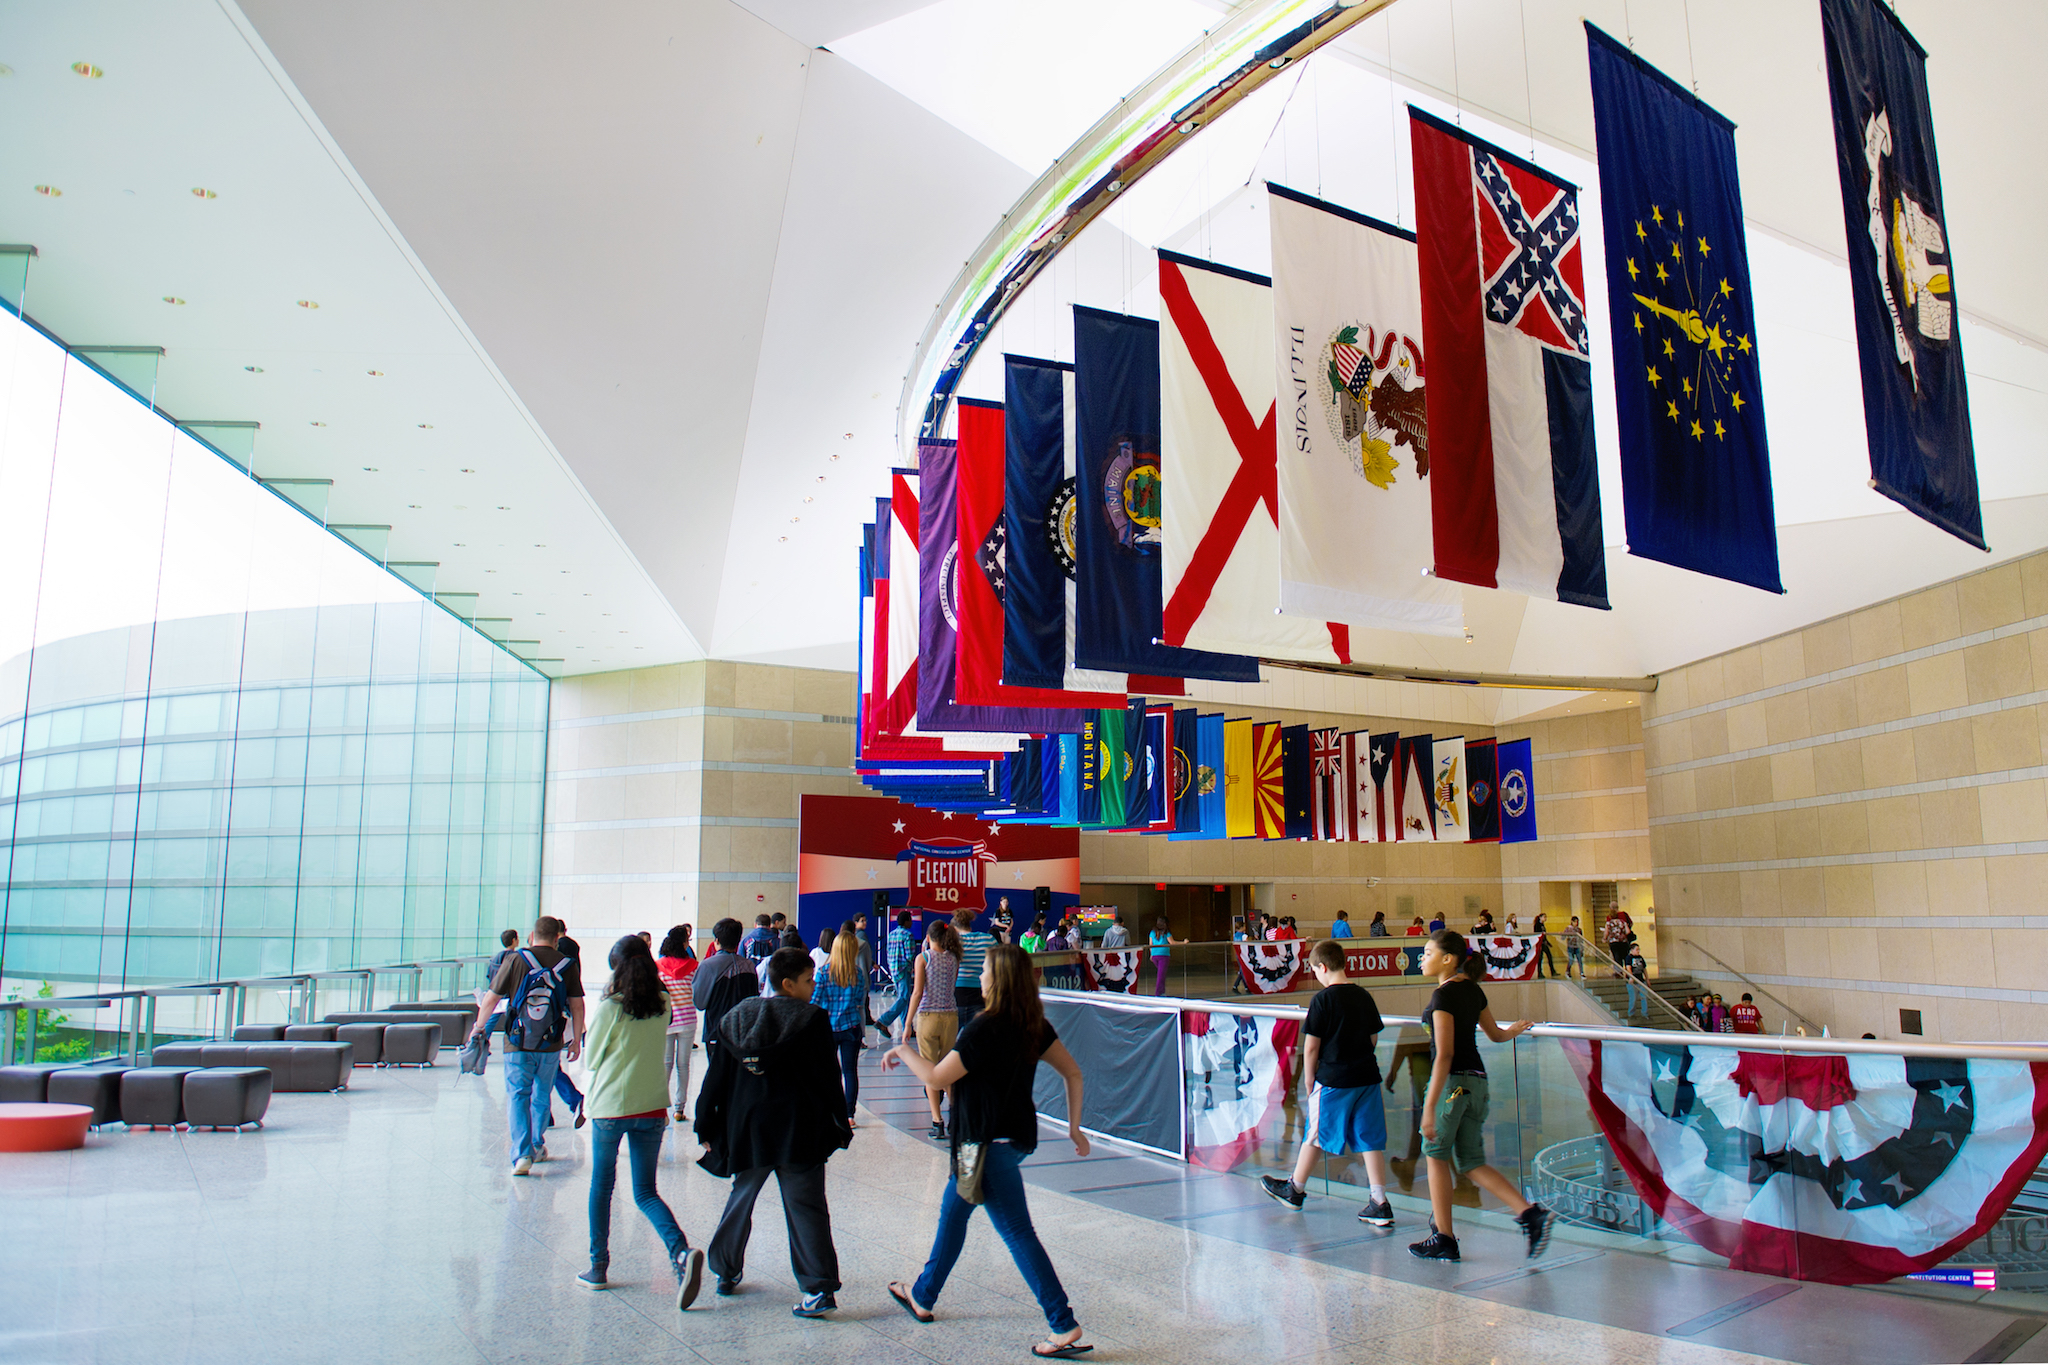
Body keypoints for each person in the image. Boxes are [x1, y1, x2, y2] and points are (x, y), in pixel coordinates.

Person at [884, 945, 1091, 1359]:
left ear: (997, 980)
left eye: (984, 972)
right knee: (953, 1213)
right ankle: (923, 1295)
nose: (978, 977)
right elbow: (1073, 1072)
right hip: (1006, 1141)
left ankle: (1062, 1323)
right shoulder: (1033, 1024)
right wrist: (1073, 1127)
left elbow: (938, 1077)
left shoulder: (984, 1028)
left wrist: (902, 1049)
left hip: (981, 1144)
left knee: (1016, 1232)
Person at [693, 946, 851, 1317]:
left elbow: (716, 1077)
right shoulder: (812, 1020)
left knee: (741, 1198)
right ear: (787, 984)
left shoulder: (736, 1019)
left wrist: (705, 1123)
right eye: (809, 981)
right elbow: (829, 1078)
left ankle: (725, 1270)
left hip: (748, 1129)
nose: (814, 987)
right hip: (800, 1130)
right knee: (807, 1207)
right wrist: (839, 1124)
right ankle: (818, 1288)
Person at [577, 934, 706, 1307]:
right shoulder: (662, 1001)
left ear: (616, 967)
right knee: (645, 1192)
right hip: (652, 1106)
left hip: (610, 1106)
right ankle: (680, 1252)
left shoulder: (609, 1007)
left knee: (601, 1187)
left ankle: (598, 1267)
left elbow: (593, 1058)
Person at [1409, 930, 1551, 1263]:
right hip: (1478, 1083)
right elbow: (1496, 1035)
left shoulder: (1442, 997)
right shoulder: (1473, 990)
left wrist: (1429, 1108)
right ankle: (1529, 1214)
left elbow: (1444, 1054)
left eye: (1427, 953)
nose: (1422, 958)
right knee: (1471, 1161)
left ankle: (1443, 1236)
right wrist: (1514, 1030)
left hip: (1451, 1086)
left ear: (1448, 959)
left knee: (1436, 1156)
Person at [1261, 939, 1395, 1227]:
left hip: (1334, 1079)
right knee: (1369, 1138)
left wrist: (1309, 1078)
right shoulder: (1363, 995)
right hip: (1367, 1078)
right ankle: (1379, 1201)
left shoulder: (1322, 1000)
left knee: (1315, 1133)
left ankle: (1294, 1189)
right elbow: (1373, 1038)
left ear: (1322, 967)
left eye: (1315, 971)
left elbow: (1311, 1047)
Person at [468, 917, 585, 1176]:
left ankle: (522, 1155)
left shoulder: (515, 959)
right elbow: (577, 1006)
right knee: (541, 1095)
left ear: (532, 935)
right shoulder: (567, 964)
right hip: (551, 1042)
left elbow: (491, 998)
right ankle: (536, 1144)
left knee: (518, 1094)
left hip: (517, 1040)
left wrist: (478, 1029)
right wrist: (576, 1039)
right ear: (557, 938)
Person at [906, 918, 962, 1141]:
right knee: (948, 1070)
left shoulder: (923, 958)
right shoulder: (954, 959)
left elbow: (918, 992)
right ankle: (956, 1118)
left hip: (928, 1018)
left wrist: (908, 1022)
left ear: (928, 938)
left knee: (931, 1072)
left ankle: (937, 1122)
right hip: (951, 1017)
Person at [810, 925, 867, 1126]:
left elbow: (815, 1000)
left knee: (828, 1071)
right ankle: (849, 1114)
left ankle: (828, 1111)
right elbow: (860, 999)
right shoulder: (857, 974)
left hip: (827, 1029)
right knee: (850, 1071)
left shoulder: (824, 973)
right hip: (851, 1027)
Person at [690, 918, 760, 1069]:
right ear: (739, 940)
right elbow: (754, 999)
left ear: (716, 940)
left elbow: (699, 1003)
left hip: (716, 1031)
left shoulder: (707, 966)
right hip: (744, 1032)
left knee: (718, 1078)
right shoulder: (749, 966)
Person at [656, 926, 700, 1121]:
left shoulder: (657, 966)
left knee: (665, 1065)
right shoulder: (693, 966)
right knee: (683, 1065)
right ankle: (679, 1109)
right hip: (688, 1019)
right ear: (684, 944)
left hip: (666, 1019)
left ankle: (661, 1107)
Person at [875, 910, 919, 1043]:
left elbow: (888, 952)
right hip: (903, 970)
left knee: (903, 998)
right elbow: (910, 955)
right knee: (905, 997)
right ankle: (883, 1021)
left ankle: (908, 1027)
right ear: (906, 922)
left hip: (894, 970)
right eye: (910, 919)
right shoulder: (908, 935)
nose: (912, 922)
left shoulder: (891, 934)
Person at [954, 908, 994, 1028]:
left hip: (956, 996)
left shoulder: (952, 941)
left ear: (955, 927)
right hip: (981, 996)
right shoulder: (988, 939)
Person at [1147, 918, 1186, 997]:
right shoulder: (1166, 932)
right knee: (1161, 975)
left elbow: (1150, 944)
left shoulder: (1152, 932)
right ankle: (1158, 993)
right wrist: (1183, 942)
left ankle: (1162, 991)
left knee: (1161, 974)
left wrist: (1151, 954)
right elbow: (1172, 942)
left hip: (1155, 955)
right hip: (1164, 955)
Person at [1603, 908, 1634, 976]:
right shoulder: (1623, 922)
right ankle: (1628, 971)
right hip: (1623, 942)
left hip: (1614, 942)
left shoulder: (1609, 923)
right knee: (1625, 956)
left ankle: (1619, 972)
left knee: (1617, 957)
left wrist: (1604, 939)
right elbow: (1628, 931)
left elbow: (1606, 932)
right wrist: (1622, 935)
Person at [1623, 941, 1649, 1020]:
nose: (1638, 951)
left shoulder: (1640, 958)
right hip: (1633, 981)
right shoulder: (1629, 958)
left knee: (1644, 997)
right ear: (1632, 950)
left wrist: (1647, 979)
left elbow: (1644, 969)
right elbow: (1628, 968)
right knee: (1633, 998)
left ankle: (1645, 1013)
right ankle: (1631, 1014)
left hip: (1641, 980)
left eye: (1638, 950)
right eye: (1637, 950)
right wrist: (1631, 977)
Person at [1531, 913, 1553, 978]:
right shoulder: (1537, 925)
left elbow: (1544, 935)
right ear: (1540, 917)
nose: (1545, 919)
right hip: (1540, 944)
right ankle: (1539, 972)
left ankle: (1552, 971)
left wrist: (1548, 943)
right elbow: (1538, 935)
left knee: (1549, 955)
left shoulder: (1542, 925)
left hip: (1544, 943)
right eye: (1544, 917)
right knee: (1540, 958)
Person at [1565, 916, 1586, 980]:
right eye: (1575, 922)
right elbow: (1563, 937)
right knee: (1571, 960)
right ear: (1572, 922)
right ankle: (1568, 971)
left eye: (1577, 922)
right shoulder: (1568, 929)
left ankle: (1582, 973)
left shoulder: (1579, 930)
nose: (1576, 923)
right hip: (1570, 947)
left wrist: (1582, 948)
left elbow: (1581, 939)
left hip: (1577, 946)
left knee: (1579, 960)